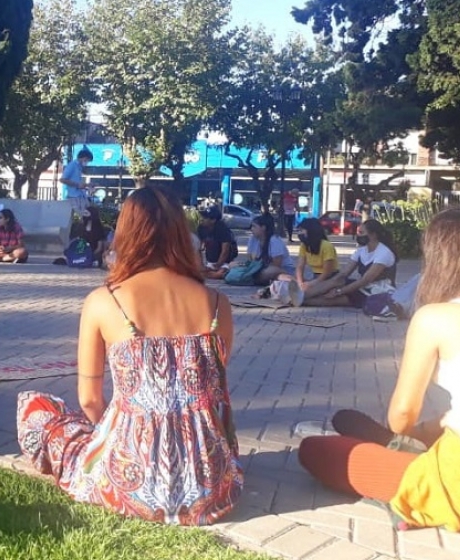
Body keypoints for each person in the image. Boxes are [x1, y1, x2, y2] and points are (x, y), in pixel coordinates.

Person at [16, 186, 242, 524]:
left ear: (126, 233)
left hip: (127, 484)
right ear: (181, 232)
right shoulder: (217, 304)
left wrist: (123, 434)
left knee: (39, 411)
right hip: (209, 487)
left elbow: (90, 401)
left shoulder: (104, 300)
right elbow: (212, 395)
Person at [299, 207, 460, 535]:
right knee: (352, 422)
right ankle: (396, 446)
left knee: (316, 451)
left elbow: (402, 415)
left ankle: (395, 454)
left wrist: (412, 433)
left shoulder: (438, 317)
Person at [304, 219, 397, 308]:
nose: (358, 236)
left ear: (373, 235)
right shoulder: (361, 251)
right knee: (336, 281)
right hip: (364, 287)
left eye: (361, 233)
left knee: (335, 299)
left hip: (378, 291)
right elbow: (344, 274)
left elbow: (366, 280)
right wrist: (332, 283)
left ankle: (301, 301)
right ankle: (302, 295)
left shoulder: (384, 253)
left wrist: (339, 291)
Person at [275, 217, 340, 304]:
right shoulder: (304, 246)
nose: (299, 233)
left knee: (310, 290)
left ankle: (299, 297)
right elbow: (300, 266)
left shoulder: (326, 246)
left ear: (311, 230)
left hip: (329, 278)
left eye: (302, 230)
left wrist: (312, 283)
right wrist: (300, 281)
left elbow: (327, 272)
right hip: (315, 277)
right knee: (282, 276)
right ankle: (296, 295)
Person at [246, 214, 295, 285]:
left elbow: (277, 264)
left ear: (263, 227)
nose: (251, 229)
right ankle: (256, 279)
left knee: (267, 272)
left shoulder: (274, 240)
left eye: (254, 226)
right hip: (258, 268)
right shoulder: (252, 239)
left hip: (282, 269)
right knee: (232, 265)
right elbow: (250, 259)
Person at [197, 206, 237, 279]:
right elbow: (198, 249)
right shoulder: (201, 228)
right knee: (197, 272)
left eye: (205, 218)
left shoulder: (223, 229)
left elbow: (225, 251)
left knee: (219, 274)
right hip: (211, 262)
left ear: (213, 220)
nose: (202, 219)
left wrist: (218, 265)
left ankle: (220, 273)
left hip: (225, 262)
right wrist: (201, 265)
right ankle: (214, 274)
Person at [60, 148, 93, 213]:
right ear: (83, 158)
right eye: (87, 160)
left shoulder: (79, 167)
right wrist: (77, 185)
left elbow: (78, 183)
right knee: (84, 215)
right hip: (74, 197)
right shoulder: (72, 165)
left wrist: (87, 185)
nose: (87, 163)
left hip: (80, 195)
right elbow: (62, 179)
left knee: (87, 214)